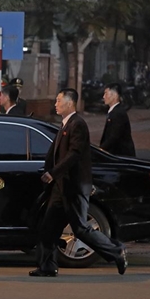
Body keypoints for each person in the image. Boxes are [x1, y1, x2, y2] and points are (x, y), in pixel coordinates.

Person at [31, 88, 127, 277]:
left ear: (69, 103)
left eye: (59, 101)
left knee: (81, 229)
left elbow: (74, 154)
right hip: (61, 186)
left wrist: (53, 173)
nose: (55, 104)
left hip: (73, 186)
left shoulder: (78, 125)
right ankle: (47, 266)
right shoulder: (65, 125)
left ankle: (116, 251)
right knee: (48, 227)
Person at [100, 83, 136, 157]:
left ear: (114, 96)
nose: (104, 97)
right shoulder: (114, 111)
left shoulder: (118, 113)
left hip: (121, 157)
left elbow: (114, 137)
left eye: (106, 94)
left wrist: (101, 150)